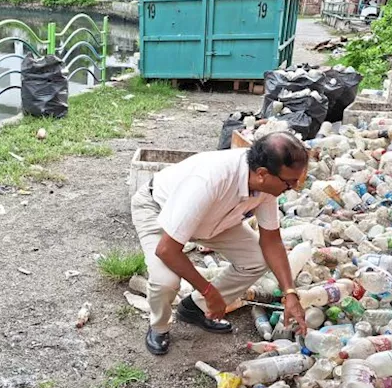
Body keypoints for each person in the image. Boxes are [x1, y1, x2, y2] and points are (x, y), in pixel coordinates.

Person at [131, 132, 310, 355]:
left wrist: (289, 292)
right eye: (290, 181)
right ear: (262, 174)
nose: (293, 186)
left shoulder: (266, 183)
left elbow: (271, 240)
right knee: (165, 280)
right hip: (159, 209)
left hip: (212, 219)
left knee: (257, 259)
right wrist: (209, 291)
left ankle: (193, 309)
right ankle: (159, 327)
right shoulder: (211, 180)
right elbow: (167, 250)